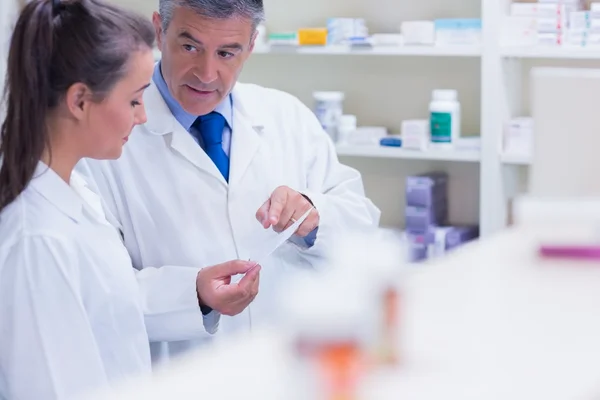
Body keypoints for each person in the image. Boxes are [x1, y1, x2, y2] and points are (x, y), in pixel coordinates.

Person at [78, 0, 381, 362]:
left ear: (251, 44)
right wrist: (194, 296)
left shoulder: (287, 117)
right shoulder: (104, 140)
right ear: (159, 30)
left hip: (287, 367)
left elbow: (362, 229)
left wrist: (314, 217)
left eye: (226, 52)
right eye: (190, 47)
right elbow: (95, 289)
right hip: (181, 377)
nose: (206, 73)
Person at [0, 0, 260, 398]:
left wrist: (195, 290)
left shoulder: (75, 197)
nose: (142, 117)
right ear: (80, 101)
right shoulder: (38, 239)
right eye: (135, 99)